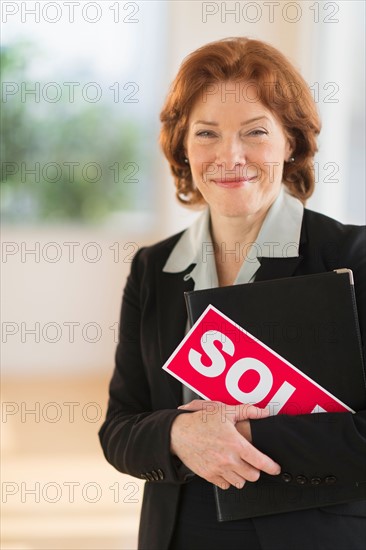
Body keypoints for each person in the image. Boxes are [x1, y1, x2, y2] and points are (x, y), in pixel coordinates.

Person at [98, 37, 366, 550]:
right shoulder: (154, 267)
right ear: (182, 146)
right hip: (180, 532)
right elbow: (120, 429)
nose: (230, 155)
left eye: (255, 132)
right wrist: (178, 436)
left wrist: (240, 439)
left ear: (291, 142)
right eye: (207, 134)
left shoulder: (352, 257)